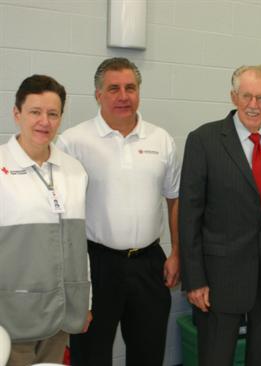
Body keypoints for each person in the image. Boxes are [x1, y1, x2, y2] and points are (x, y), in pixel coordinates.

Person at [57, 57, 181, 366]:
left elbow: (175, 198)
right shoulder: (73, 141)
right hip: (96, 264)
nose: (123, 96)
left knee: (148, 353)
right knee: (91, 355)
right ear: (98, 94)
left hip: (149, 263)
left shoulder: (161, 139)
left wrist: (177, 252)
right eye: (113, 88)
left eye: (130, 87)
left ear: (139, 91)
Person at [179, 65, 261, 366]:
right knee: (216, 358)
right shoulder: (204, 140)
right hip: (219, 279)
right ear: (233, 96)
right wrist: (194, 279)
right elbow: (189, 216)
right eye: (247, 96)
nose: (254, 105)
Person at [0, 75, 91, 365]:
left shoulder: (74, 170)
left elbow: (79, 245)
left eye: (53, 114)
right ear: (17, 114)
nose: (44, 121)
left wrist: (85, 303)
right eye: (35, 112)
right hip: (11, 317)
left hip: (61, 314)